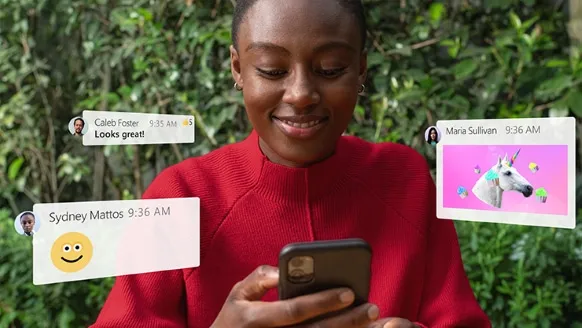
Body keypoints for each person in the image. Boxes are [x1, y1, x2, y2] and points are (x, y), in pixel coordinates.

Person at [92, 1, 491, 327]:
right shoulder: (179, 197)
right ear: (238, 69)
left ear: (361, 70)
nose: (301, 93)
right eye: (272, 69)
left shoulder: (405, 181)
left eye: (331, 69)